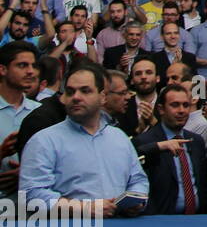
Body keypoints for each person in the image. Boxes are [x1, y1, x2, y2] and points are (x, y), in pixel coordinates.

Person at [19, 64, 148, 216]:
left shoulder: (119, 138)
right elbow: (31, 195)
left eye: (85, 91)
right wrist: (84, 208)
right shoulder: (44, 141)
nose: (76, 97)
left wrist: (136, 200)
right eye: (70, 91)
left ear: (102, 97)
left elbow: (138, 180)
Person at [135, 83, 207, 215]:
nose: (182, 110)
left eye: (186, 105)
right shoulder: (147, 141)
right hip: (162, 221)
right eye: (175, 105)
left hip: (197, 220)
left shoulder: (196, 141)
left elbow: (204, 183)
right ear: (161, 109)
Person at [0, 41, 41, 197]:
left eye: (33, 66)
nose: (31, 71)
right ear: (3, 69)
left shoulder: (40, 112)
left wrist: (26, 174)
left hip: (33, 209)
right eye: (22, 65)